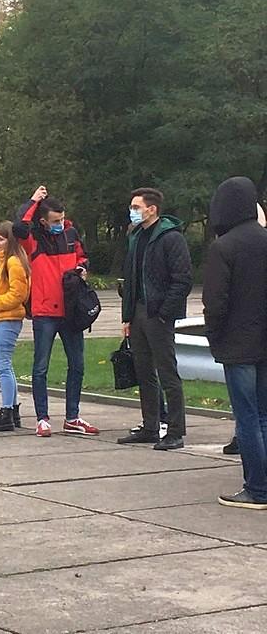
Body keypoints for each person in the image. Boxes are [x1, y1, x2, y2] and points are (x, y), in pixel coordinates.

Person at [202, 178, 267, 509]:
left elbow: (215, 302)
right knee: (264, 414)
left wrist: (214, 335)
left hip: (238, 343)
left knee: (247, 417)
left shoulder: (223, 247)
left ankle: (257, 487)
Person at [14, 186, 99, 437]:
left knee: (77, 365)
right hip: (45, 311)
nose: (60, 224)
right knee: (41, 366)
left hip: (71, 310)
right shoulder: (33, 239)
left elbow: (83, 256)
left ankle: (72, 417)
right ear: (43, 221)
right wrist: (33, 201)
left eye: (62, 219)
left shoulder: (71, 234)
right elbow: (19, 227)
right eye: (54, 221)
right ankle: (42, 418)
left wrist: (82, 268)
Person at [116, 188, 193, 451]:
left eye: (137, 207)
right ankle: (150, 426)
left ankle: (175, 430)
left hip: (158, 313)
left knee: (167, 371)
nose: (133, 211)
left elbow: (182, 279)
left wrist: (164, 313)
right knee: (143, 371)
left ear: (152, 209)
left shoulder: (171, 238)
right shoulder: (136, 236)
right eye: (132, 207)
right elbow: (131, 279)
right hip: (138, 311)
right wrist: (127, 316)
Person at [0, 221, 30, 432]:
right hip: (0, 318)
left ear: (10, 240)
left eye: (0, 239)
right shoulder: (4, 262)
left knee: (3, 365)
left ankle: (7, 411)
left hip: (8, 318)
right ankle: (12, 409)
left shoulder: (13, 262)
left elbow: (18, 294)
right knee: (4, 365)